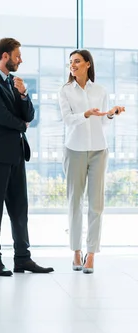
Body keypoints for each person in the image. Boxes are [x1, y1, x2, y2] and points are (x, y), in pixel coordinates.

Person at [0, 37, 54, 276]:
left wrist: (23, 94)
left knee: (20, 207)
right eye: (18, 55)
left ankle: (22, 258)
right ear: (5, 56)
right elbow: (1, 117)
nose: (21, 59)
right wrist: (22, 124)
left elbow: (29, 114)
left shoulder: (13, 82)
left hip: (16, 153)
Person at [58, 49, 125, 274]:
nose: (73, 65)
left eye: (77, 61)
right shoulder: (65, 91)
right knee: (75, 202)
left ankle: (91, 254)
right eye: (70, 63)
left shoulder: (101, 90)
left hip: (98, 150)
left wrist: (111, 113)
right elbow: (67, 120)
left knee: (96, 205)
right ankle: (76, 251)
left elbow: (103, 123)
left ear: (88, 64)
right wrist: (85, 114)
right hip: (74, 149)